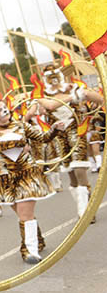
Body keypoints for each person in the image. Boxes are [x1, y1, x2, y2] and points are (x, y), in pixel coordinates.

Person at [0, 98, 64, 263]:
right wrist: (20, 143)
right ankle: (38, 240)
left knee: (25, 214)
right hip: (5, 179)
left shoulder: (22, 126)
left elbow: (43, 137)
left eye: (5, 107)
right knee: (22, 214)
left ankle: (29, 251)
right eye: (0, 109)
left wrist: (54, 129)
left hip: (27, 175)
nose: (5, 111)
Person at [36, 61, 104, 220]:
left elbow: (97, 97)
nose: (54, 80)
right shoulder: (42, 95)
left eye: (56, 76)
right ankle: (84, 206)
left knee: (80, 169)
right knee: (72, 176)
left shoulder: (73, 87)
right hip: (60, 138)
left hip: (77, 132)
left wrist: (82, 93)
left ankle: (86, 211)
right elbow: (51, 106)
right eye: (50, 77)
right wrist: (72, 97)